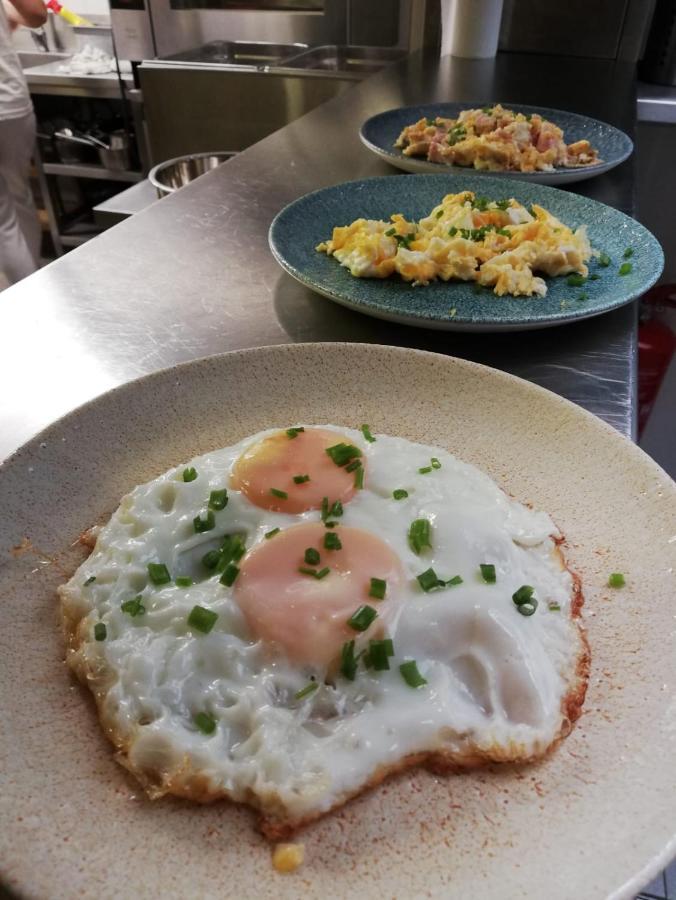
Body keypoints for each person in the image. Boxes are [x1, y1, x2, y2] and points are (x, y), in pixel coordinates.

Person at [0, 0, 47, 286]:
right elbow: (36, 14)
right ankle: (35, 286)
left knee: (4, 218)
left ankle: (29, 292)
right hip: (10, 103)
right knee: (19, 199)